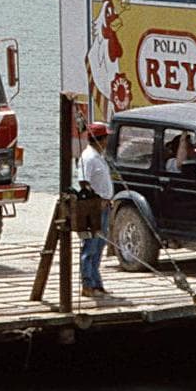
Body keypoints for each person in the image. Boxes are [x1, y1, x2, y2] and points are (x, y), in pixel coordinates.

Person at [78, 121, 115, 297]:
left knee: (99, 246)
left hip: (105, 205)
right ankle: (87, 284)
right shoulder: (89, 157)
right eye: (106, 137)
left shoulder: (99, 156)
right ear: (101, 139)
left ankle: (96, 283)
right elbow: (83, 182)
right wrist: (96, 201)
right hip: (94, 208)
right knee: (90, 247)